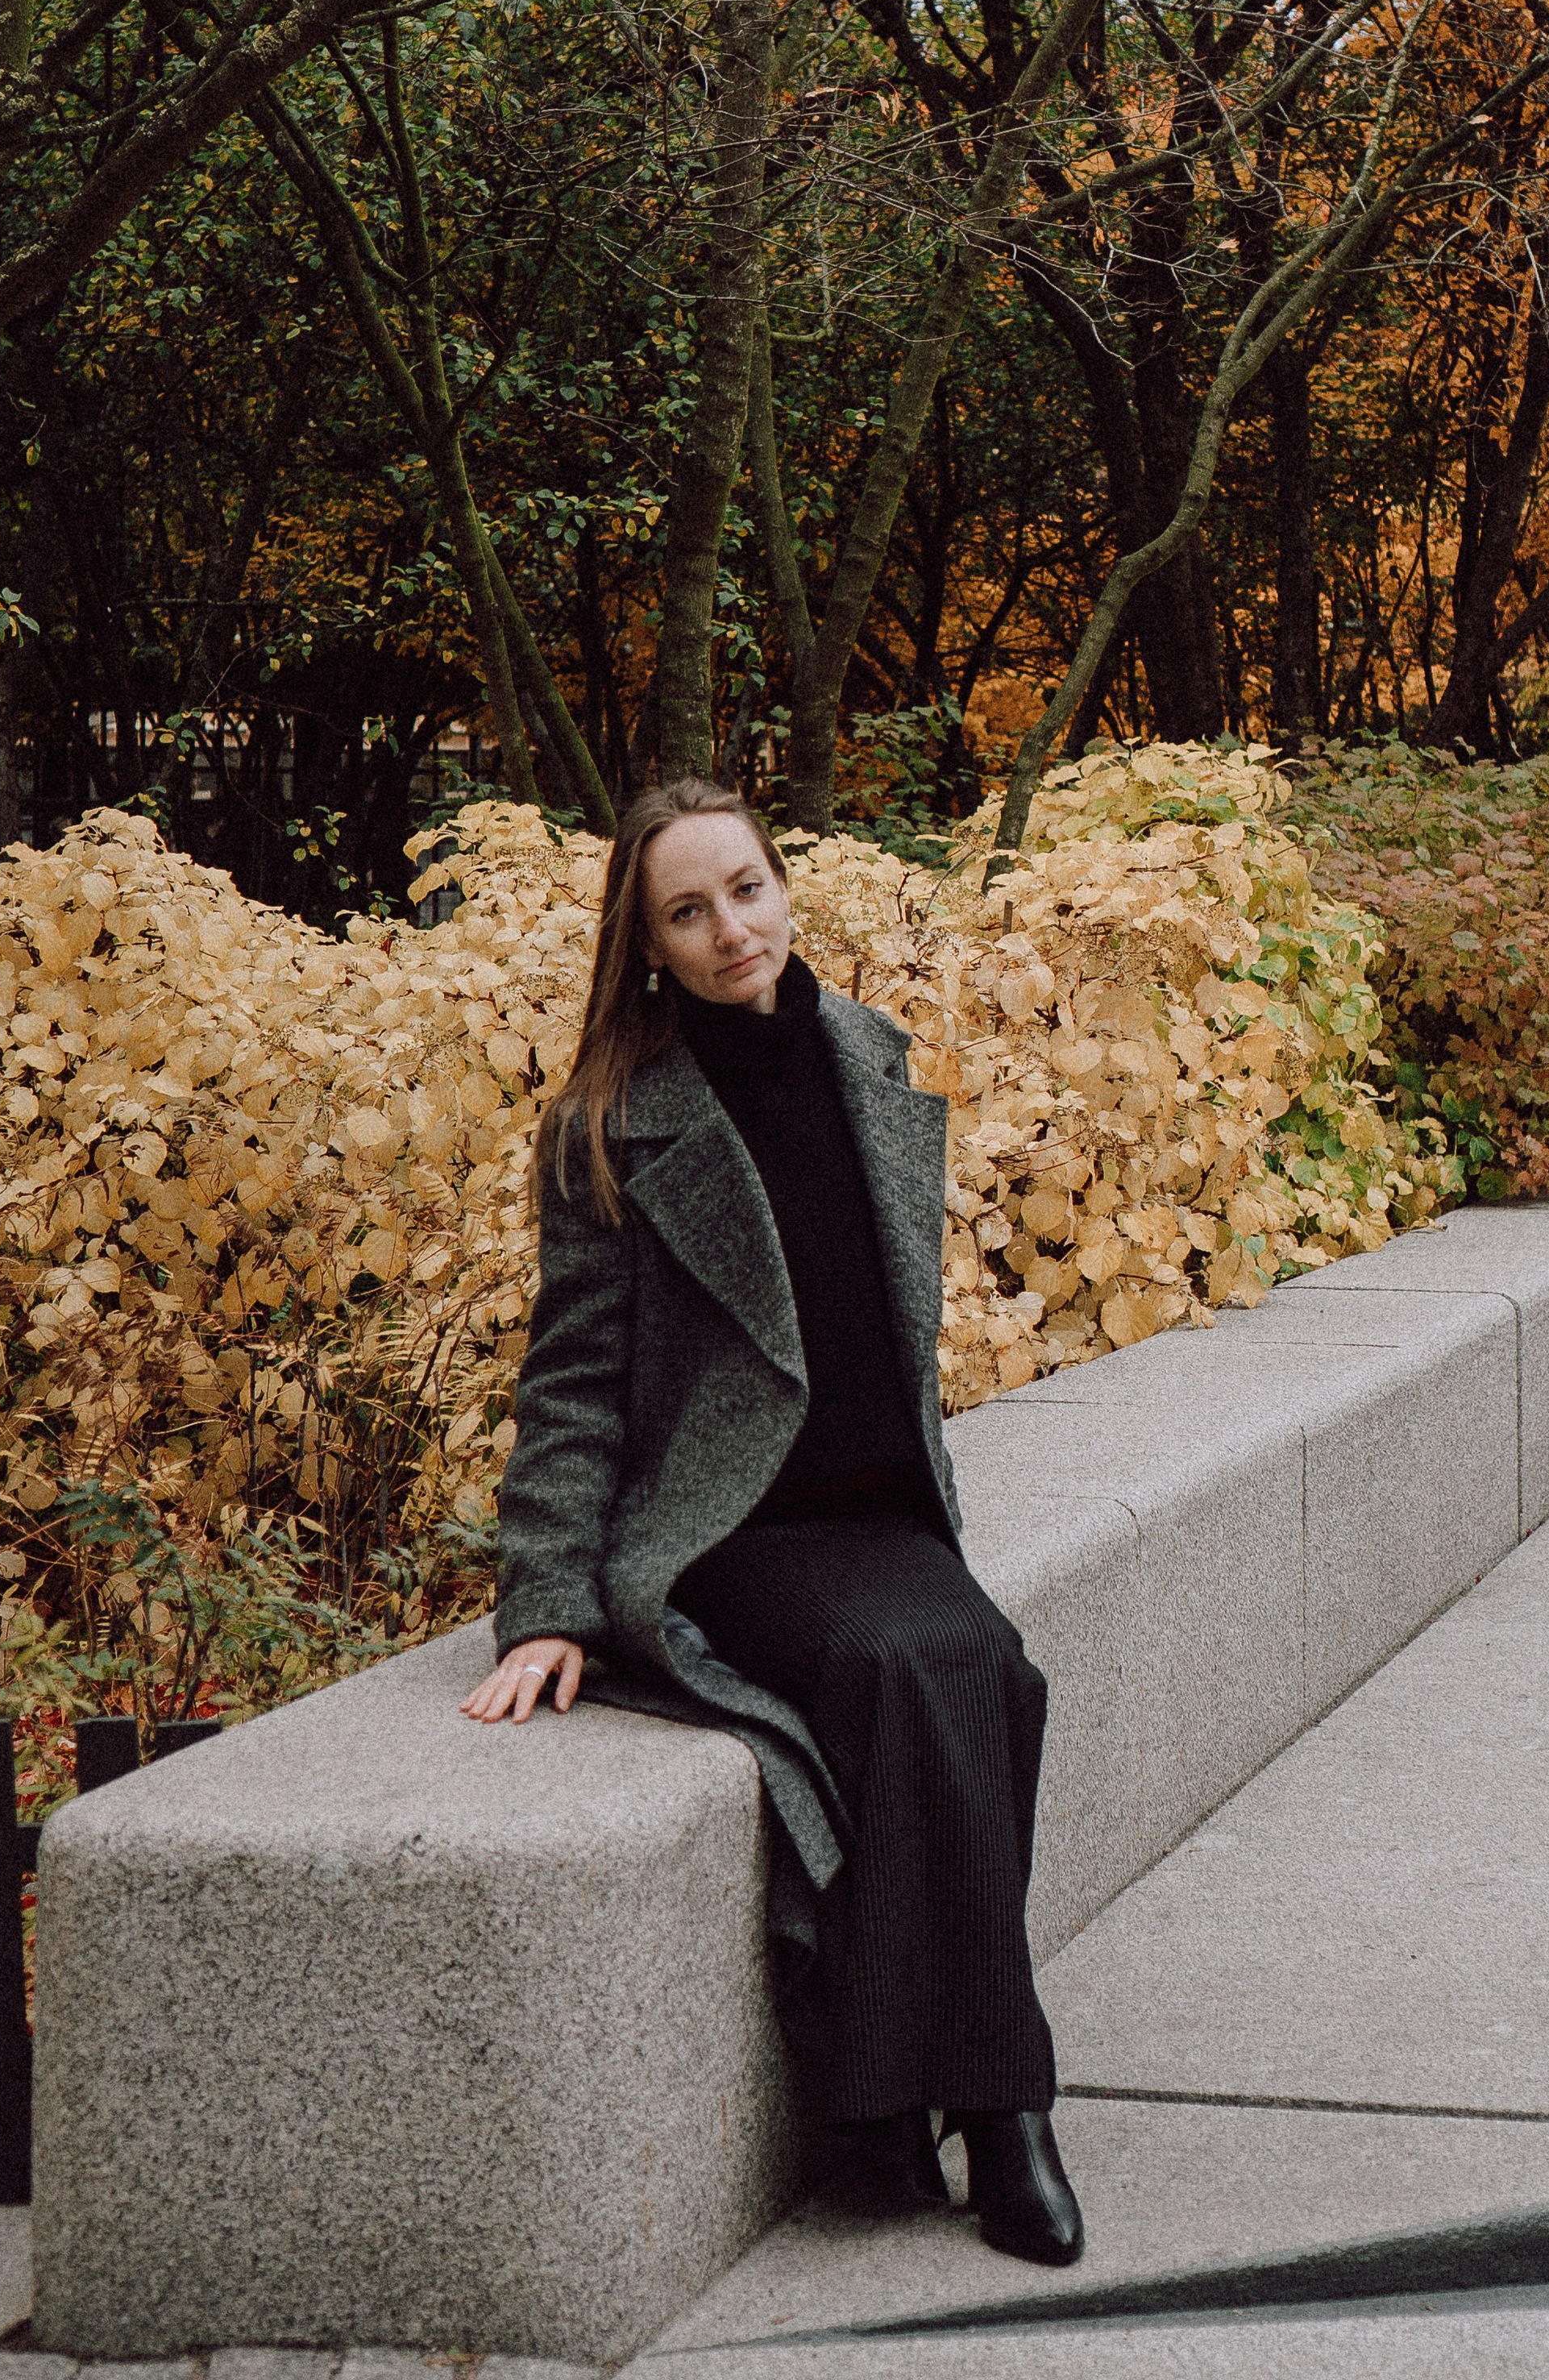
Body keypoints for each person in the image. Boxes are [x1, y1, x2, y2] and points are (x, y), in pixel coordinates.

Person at [462, 776, 1083, 2268]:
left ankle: (886, 2104)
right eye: (689, 910)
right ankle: (1006, 2115)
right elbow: (573, 1385)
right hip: (733, 1531)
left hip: (883, 1515)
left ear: (781, 886)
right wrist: (544, 1598)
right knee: (914, 1669)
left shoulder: (867, 1051)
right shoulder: (613, 1123)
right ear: (650, 945)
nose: (731, 929)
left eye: (747, 888)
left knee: (987, 1670)